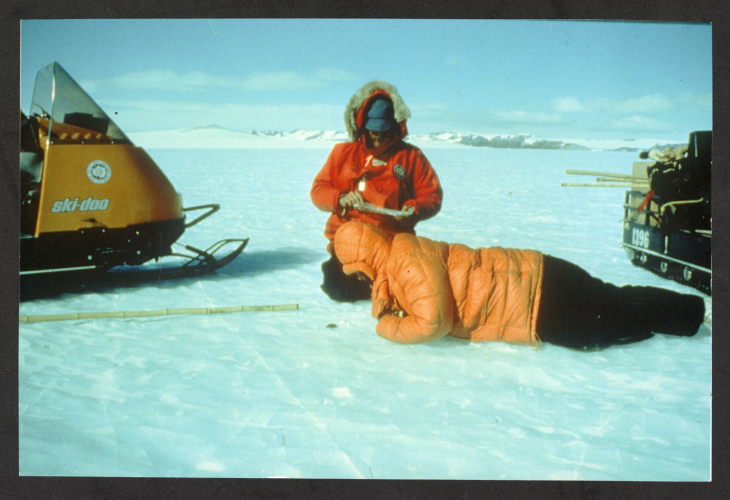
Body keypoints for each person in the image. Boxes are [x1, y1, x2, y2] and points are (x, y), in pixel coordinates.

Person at [333, 221, 707, 350]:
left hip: (533, 295)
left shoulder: (405, 259)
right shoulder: (397, 257)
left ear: (361, 261)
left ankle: (690, 316)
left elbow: (434, 321)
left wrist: (388, 327)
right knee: (611, 313)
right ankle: (680, 319)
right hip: (530, 283)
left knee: (605, 321)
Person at [311, 81, 443, 302]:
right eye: (373, 131)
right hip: (348, 244)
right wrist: (340, 198)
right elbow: (318, 191)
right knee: (338, 288)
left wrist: (415, 208)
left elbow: (432, 195)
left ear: (394, 125)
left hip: (390, 243)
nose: (378, 137)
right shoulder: (341, 153)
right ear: (362, 125)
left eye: (383, 131)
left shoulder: (411, 157)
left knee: (405, 290)